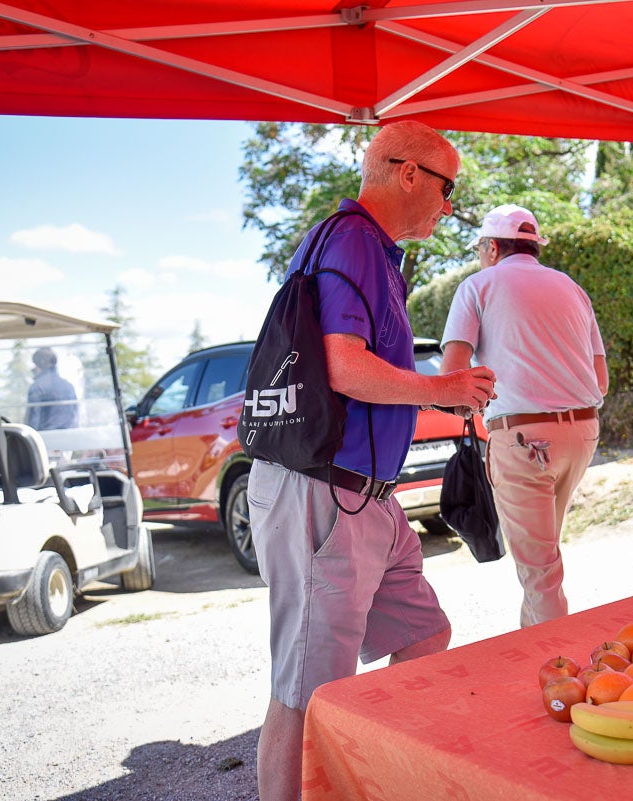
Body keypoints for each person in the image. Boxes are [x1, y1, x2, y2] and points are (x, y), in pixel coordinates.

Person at [246, 121, 496, 801]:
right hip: (325, 491)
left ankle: (366, 772)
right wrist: (445, 387)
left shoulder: (371, 250)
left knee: (425, 631)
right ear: (407, 172)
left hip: (364, 496)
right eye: (448, 188)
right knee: (304, 689)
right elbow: (346, 367)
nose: (449, 207)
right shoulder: (355, 238)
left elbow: (364, 382)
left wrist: (448, 406)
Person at [439, 204, 608, 628]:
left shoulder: (478, 285)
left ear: (493, 247)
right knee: (543, 560)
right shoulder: (572, 287)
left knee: (541, 574)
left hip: (524, 439)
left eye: (481, 247)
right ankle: (530, 650)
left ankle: (556, 672)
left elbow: (453, 377)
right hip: (583, 432)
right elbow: (600, 379)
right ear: (534, 246)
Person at [26, 347, 77, 430]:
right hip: (68, 437)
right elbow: (74, 415)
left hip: (45, 438)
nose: (33, 369)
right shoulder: (68, 386)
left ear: (40, 364)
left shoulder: (37, 387)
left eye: (35, 364)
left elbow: (33, 420)